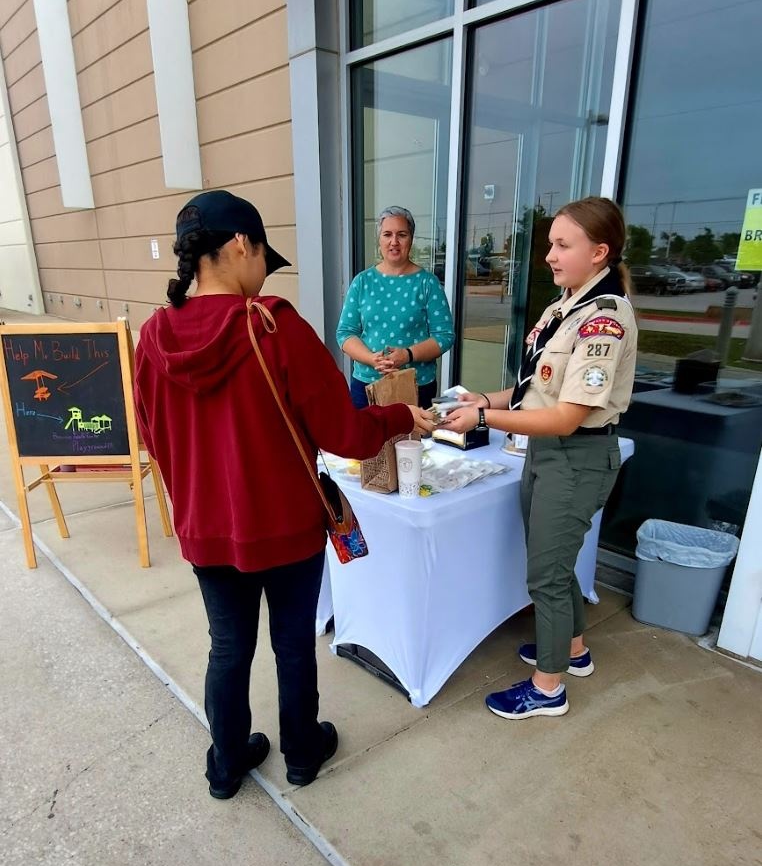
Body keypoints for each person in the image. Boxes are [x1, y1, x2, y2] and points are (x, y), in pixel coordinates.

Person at [134, 190, 434, 799]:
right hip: (288, 524)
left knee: (227, 647)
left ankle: (226, 765)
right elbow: (344, 434)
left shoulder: (154, 337)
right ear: (241, 245)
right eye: (262, 258)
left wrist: (197, 495)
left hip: (205, 528)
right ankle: (301, 752)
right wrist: (401, 415)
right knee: (293, 644)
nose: (263, 274)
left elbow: (152, 436)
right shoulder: (275, 325)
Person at [441, 196, 637, 720]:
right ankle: (573, 650)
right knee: (554, 563)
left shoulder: (604, 320)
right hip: (547, 456)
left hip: (575, 457)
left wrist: (484, 420)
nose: (549, 255)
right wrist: (485, 399)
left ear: (599, 252)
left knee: (545, 576)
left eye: (562, 245)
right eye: (551, 243)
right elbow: (535, 391)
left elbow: (567, 417)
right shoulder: (563, 308)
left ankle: (548, 688)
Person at [337, 206, 455, 410]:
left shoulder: (427, 283)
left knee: (413, 432)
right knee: (364, 432)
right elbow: (345, 333)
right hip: (366, 386)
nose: (394, 242)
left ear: (411, 239)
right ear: (379, 240)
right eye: (387, 234)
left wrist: (408, 354)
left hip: (416, 385)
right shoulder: (362, 282)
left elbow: (444, 336)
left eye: (402, 234)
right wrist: (371, 359)